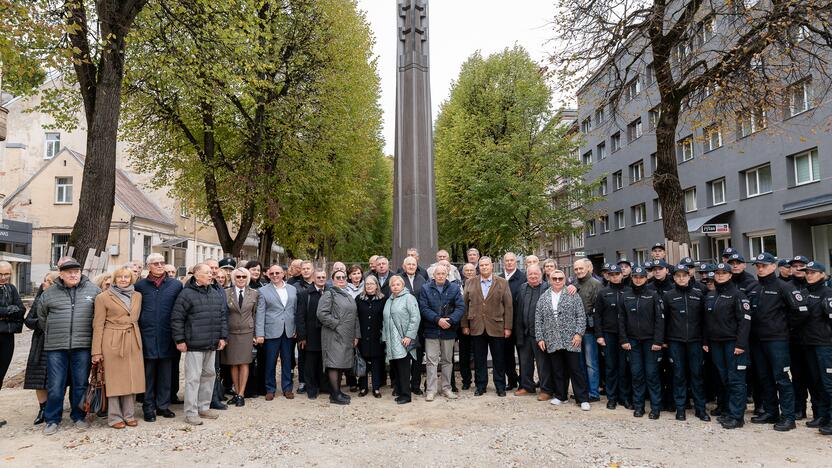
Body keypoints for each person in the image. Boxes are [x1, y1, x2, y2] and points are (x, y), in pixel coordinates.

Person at [36, 258, 101, 435]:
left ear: (81, 272)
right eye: (69, 272)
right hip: (56, 346)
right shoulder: (49, 293)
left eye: (76, 272)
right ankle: (52, 419)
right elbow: (42, 318)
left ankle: (78, 416)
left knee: (80, 383)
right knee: (56, 384)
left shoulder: (94, 290)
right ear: (61, 275)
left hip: (83, 345)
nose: (73, 275)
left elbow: (99, 316)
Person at [749, 252, 805, 431]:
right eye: (758, 266)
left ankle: (788, 417)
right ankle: (771, 411)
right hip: (758, 340)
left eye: (764, 265)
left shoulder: (784, 287)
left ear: (773, 266)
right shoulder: (755, 288)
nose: (760, 269)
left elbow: (801, 312)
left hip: (777, 340)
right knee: (764, 378)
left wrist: (784, 327)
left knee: (781, 378)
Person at [170, 263, 228, 426]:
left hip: (211, 343)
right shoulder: (186, 294)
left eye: (212, 273)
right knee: (193, 379)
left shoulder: (215, 294)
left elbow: (222, 317)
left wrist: (223, 337)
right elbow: (177, 319)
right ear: (196, 275)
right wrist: (180, 340)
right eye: (207, 273)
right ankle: (191, 412)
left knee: (209, 375)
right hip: (194, 344)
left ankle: (203, 407)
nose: (211, 275)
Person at [92, 267, 145, 429]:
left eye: (127, 277)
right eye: (120, 277)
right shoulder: (103, 297)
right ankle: (114, 417)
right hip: (112, 339)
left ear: (131, 279)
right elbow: (98, 325)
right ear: (114, 279)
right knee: (114, 380)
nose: (123, 280)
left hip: (133, 338)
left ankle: (129, 414)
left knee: (132, 378)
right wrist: (96, 351)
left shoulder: (137, 295)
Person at [135, 253, 183, 422]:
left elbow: (180, 311)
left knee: (165, 373)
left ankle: (163, 406)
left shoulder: (175, 285)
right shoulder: (140, 286)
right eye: (156, 263)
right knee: (148, 374)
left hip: (167, 334)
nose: (160, 266)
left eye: (162, 262)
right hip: (146, 335)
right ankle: (148, 407)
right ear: (149, 266)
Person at [704, 263, 752, 429]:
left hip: (733, 343)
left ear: (730, 275)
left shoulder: (738, 295)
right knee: (724, 378)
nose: (720, 276)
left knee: (736, 380)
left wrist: (741, 344)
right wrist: (706, 341)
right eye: (717, 273)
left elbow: (745, 321)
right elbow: (707, 321)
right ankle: (729, 411)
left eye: (724, 273)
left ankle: (737, 416)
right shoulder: (712, 295)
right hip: (716, 343)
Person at [535, 269, 590, 410]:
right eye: (555, 278)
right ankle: (561, 396)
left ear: (565, 279)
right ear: (550, 280)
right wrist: (540, 337)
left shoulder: (573, 294)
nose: (558, 281)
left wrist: (578, 334)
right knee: (557, 370)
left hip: (571, 339)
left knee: (575, 369)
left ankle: (582, 398)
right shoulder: (544, 297)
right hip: (552, 339)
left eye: (560, 278)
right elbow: (538, 319)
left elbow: (581, 316)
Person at [663, 264, 709, 422]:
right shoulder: (668, 296)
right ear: (674, 278)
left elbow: (705, 320)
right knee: (678, 375)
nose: (681, 278)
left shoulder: (699, 294)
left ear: (690, 277)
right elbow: (664, 320)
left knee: (697, 375)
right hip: (676, 342)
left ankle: (700, 409)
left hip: (695, 341)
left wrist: (705, 340)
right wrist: (665, 341)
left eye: (684, 275)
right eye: (678, 276)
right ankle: (680, 409)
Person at [462, 256, 513, 397]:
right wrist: (465, 325)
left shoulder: (502, 283)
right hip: (476, 326)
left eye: (487, 265)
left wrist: (508, 327)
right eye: (482, 265)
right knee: (479, 359)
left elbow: (508, 306)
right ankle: (481, 386)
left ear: (492, 266)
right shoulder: (470, 282)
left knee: (499, 359)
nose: (484, 267)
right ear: (479, 267)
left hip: (496, 326)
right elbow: (464, 306)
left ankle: (500, 386)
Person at [619, 266, 665, 419]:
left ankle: (655, 408)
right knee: (636, 375)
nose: (638, 280)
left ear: (646, 278)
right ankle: (639, 407)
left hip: (651, 341)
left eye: (641, 277)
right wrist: (624, 340)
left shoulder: (653, 295)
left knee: (652, 375)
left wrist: (658, 340)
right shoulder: (626, 296)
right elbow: (622, 320)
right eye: (635, 277)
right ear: (632, 278)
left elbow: (660, 319)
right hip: (633, 342)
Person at [418, 264, 464, 401]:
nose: (440, 276)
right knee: (431, 361)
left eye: (443, 274)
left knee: (447, 361)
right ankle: (431, 390)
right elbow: (423, 308)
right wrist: (438, 320)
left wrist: (450, 320)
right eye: (438, 274)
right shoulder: (425, 289)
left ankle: (446, 388)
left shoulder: (454, 288)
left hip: (448, 331)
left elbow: (460, 307)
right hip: (431, 330)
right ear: (433, 275)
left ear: (447, 274)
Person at [796, 261, 832, 435]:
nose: (809, 274)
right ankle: (821, 415)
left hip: (824, 344)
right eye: (807, 272)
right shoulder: (803, 293)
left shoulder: (828, 294)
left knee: (828, 383)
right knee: (815, 382)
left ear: (822, 275)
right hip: (807, 344)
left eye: (812, 272)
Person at [317, 270, 360, 405]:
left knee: (341, 363)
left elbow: (355, 316)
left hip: (347, 336)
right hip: (333, 335)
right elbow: (321, 313)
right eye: (338, 277)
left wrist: (356, 334)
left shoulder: (347, 295)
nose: (341, 279)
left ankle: (338, 392)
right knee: (334, 364)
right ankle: (334, 394)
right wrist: (336, 324)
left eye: (343, 277)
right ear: (333, 280)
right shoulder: (329, 294)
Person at [256, 264, 298, 400]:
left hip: (288, 330)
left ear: (283, 274)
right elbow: (260, 313)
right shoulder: (263, 291)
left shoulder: (292, 289)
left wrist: (296, 328)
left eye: (277, 273)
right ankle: (270, 388)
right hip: (271, 330)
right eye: (272, 273)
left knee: (287, 361)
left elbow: (295, 311)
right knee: (270, 361)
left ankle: (287, 388)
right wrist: (259, 333)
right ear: (268, 275)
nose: (275, 275)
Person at [594, 265, 631, 410]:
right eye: (612, 274)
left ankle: (624, 397)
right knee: (610, 367)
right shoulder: (603, 293)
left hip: (625, 335)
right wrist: (599, 335)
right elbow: (597, 315)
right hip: (608, 334)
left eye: (618, 274)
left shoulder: (628, 291)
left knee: (624, 367)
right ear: (608, 276)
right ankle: (612, 398)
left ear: (622, 275)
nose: (615, 277)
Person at [24, 271, 58, 425]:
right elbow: (29, 321)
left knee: (55, 377)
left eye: (49, 281)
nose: (45, 283)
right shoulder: (39, 299)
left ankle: (53, 408)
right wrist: (42, 322)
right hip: (40, 342)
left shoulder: (61, 299)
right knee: (38, 376)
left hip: (57, 342)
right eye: (44, 280)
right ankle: (42, 409)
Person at [382, 275, 421, 404]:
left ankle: (406, 395)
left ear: (403, 286)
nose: (395, 287)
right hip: (392, 340)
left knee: (404, 369)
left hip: (403, 339)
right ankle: (399, 391)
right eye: (393, 285)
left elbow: (415, 318)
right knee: (396, 368)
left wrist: (409, 336)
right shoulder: (389, 300)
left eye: (398, 284)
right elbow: (385, 320)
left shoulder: (409, 298)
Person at [223, 268, 258, 407]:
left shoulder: (255, 294)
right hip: (231, 332)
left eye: (244, 276)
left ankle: (241, 394)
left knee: (244, 363)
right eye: (238, 276)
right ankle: (236, 393)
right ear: (233, 278)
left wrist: (256, 334)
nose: (241, 279)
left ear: (248, 278)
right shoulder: (226, 293)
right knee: (233, 363)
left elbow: (256, 315)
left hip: (247, 333)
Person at [514, 265, 549, 398]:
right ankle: (527, 387)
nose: (533, 276)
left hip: (540, 334)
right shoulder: (523, 288)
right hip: (525, 332)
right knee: (525, 362)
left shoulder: (547, 288)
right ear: (526, 275)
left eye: (536, 274)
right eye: (530, 274)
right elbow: (519, 311)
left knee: (543, 364)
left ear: (541, 274)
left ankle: (546, 390)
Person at [0, 261, 26, 427]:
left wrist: (5, 313)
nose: (4, 277)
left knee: (0, 376)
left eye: (6, 274)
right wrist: (10, 311)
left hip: (7, 337)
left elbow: (22, 310)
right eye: (0, 274)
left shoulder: (12, 289)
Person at [296, 270, 328, 399]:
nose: (321, 279)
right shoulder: (305, 294)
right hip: (310, 335)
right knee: (310, 364)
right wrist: (302, 336)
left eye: (323, 277)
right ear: (314, 278)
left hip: (326, 335)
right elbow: (300, 316)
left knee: (323, 362)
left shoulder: (329, 293)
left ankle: (323, 386)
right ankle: (311, 389)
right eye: (318, 277)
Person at [573, 259, 602, 402]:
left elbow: (600, 310)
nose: (578, 271)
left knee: (591, 363)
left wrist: (598, 332)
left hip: (590, 331)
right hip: (576, 331)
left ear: (588, 268)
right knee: (580, 364)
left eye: (581, 268)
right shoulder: (573, 284)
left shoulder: (596, 285)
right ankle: (583, 391)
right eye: (576, 269)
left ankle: (593, 392)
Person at [400, 255, 428, 395]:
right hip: (402, 325)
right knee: (402, 357)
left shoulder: (422, 280)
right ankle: (401, 385)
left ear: (417, 266)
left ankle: (415, 385)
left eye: (413, 264)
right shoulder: (399, 279)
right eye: (408, 264)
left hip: (420, 324)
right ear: (404, 266)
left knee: (417, 356)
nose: (411, 266)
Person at [356, 275, 386, 398]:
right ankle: (363, 387)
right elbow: (355, 318)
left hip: (376, 336)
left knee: (376, 363)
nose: (369, 286)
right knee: (362, 362)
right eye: (367, 284)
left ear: (376, 285)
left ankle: (376, 387)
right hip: (362, 336)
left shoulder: (383, 299)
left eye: (371, 284)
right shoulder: (359, 299)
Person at [500, 252, 526, 391]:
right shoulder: (499, 278)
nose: (509, 263)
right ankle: (511, 380)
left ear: (516, 262)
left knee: (522, 354)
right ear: (503, 262)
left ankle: (524, 381)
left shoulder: (523, 278)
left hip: (520, 323)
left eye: (512, 260)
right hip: (504, 323)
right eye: (507, 260)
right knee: (507, 354)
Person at [457, 263, 478, 390]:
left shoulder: (480, 283)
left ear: (475, 272)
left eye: (472, 270)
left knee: (478, 353)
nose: (469, 272)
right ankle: (466, 380)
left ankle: (479, 380)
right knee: (464, 354)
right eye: (467, 270)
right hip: (463, 323)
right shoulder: (458, 285)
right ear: (463, 272)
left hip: (478, 323)